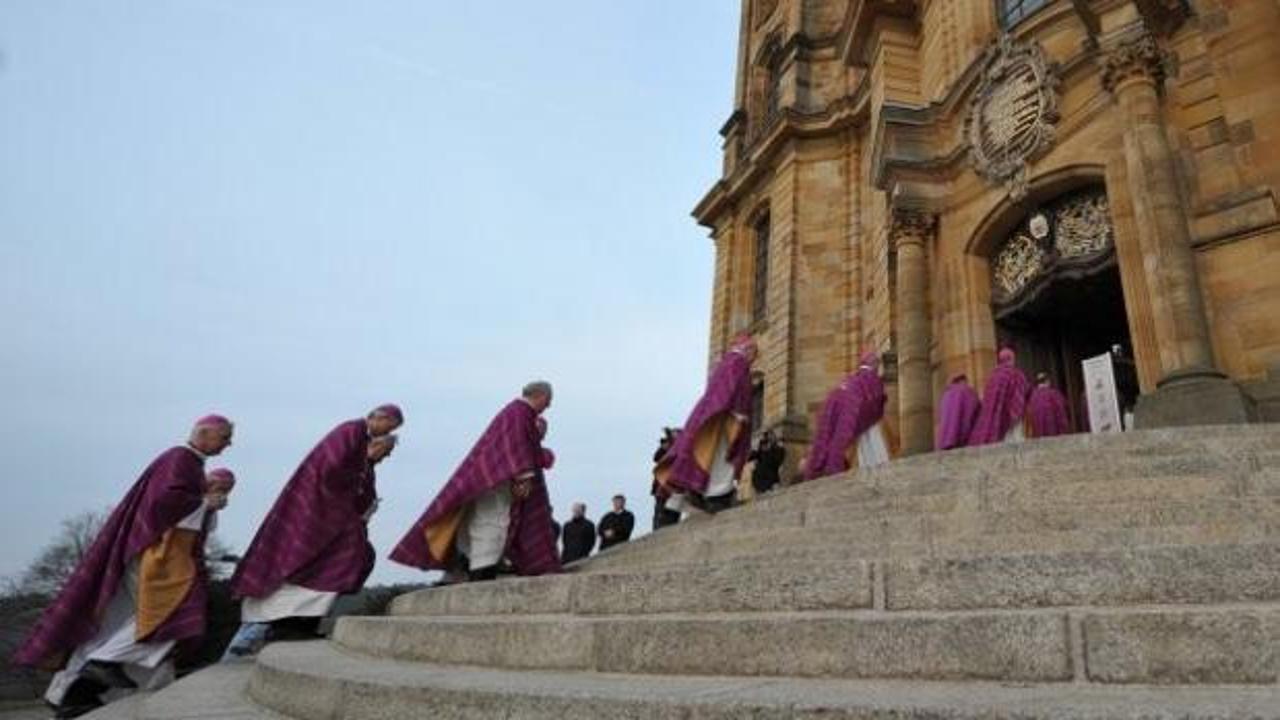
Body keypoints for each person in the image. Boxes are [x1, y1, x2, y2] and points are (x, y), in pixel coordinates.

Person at [14, 416, 235, 719]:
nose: (228, 444)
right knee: (167, 619)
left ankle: (72, 696)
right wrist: (206, 504)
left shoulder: (186, 462)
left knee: (115, 625)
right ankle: (101, 667)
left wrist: (206, 506)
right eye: (224, 437)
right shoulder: (180, 459)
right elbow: (163, 505)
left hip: (159, 554)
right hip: (161, 559)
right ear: (204, 433)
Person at [230, 405, 402, 643]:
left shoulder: (365, 460)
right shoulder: (352, 431)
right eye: (387, 437)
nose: (387, 453)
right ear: (379, 418)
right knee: (337, 559)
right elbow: (331, 471)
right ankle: (288, 623)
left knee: (350, 560)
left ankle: (305, 621)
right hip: (319, 513)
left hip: (337, 519)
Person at [391, 382, 561, 582]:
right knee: (491, 523)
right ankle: (481, 577)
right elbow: (515, 445)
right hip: (498, 481)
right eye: (548, 401)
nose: (548, 406)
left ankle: (479, 572)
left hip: (497, 478)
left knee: (488, 524)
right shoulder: (519, 412)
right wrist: (523, 475)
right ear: (540, 395)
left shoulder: (516, 412)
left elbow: (523, 447)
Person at [657, 335, 757, 515]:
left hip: (713, 414)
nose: (754, 358)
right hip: (725, 417)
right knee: (723, 458)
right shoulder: (738, 362)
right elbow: (731, 388)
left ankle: (694, 495)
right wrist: (737, 414)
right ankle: (717, 499)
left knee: (707, 455)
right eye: (754, 352)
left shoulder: (725, 363)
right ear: (747, 348)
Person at [805, 351, 891, 481]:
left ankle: (828, 466)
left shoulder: (850, 379)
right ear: (874, 363)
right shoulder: (871, 376)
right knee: (869, 444)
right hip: (859, 414)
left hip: (840, 409)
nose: (878, 366)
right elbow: (876, 397)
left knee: (837, 439)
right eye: (877, 362)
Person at [968, 348, 1032, 446]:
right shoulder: (1015, 373)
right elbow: (1025, 389)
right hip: (1013, 411)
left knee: (1001, 434)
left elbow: (987, 397)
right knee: (1015, 435)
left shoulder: (993, 376)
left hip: (998, 411)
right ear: (1011, 359)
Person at [936, 373, 981, 451]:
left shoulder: (946, 395)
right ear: (963, 380)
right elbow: (973, 407)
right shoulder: (967, 390)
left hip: (946, 438)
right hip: (962, 436)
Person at [650, 428, 681, 530]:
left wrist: (670, 436)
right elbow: (656, 458)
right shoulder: (663, 452)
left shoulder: (679, 448)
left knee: (673, 511)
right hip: (661, 487)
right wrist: (664, 446)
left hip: (675, 487)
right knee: (659, 512)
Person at [1027, 372, 1073, 438]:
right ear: (1047, 381)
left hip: (1038, 433)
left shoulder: (1032, 396)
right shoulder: (1054, 394)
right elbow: (1062, 410)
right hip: (1053, 431)